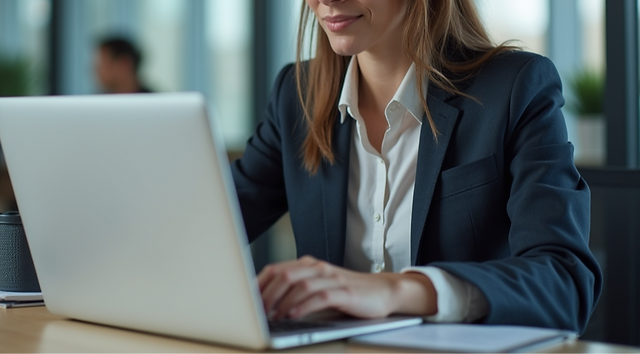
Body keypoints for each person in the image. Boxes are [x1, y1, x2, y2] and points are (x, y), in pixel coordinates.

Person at [233, 0, 601, 333]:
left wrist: (397, 289)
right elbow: (211, 221)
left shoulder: (515, 88)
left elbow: (565, 282)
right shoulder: (296, 96)